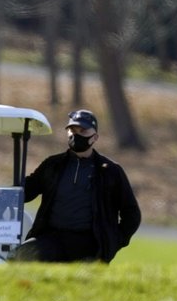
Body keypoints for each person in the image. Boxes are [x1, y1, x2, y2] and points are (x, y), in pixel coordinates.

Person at [15, 109, 141, 263]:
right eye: (72, 130)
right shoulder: (53, 165)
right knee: (21, 256)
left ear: (95, 137)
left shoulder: (110, 171)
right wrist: (0, 194)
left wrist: (114, 242)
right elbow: (26, 191)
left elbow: (131, 214)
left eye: (83, 130)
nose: (76, 134)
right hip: (51, 238)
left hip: (89, 245)